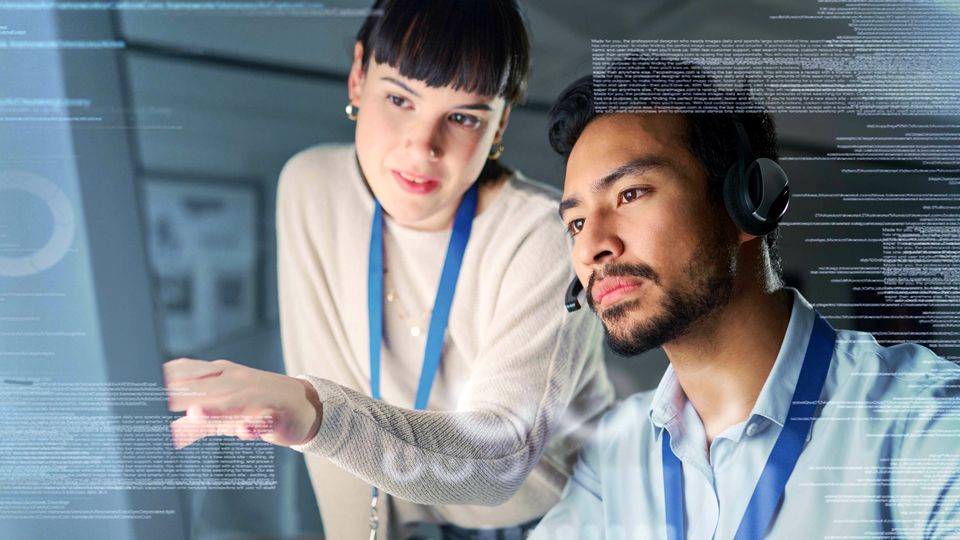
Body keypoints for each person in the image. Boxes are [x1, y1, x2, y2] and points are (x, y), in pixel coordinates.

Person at [162, 1, 615, 539]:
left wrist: (316, 412)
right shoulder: (312, 189)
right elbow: (330, 397)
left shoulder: (545, 235)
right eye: (400, 98)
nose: (423, 146)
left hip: (556, 520)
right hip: (399, 509)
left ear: (500, 124)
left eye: (464, 116)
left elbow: (499, 458)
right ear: (358, 78)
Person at [531, 59, 960, 539]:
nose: (592, 248)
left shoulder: (923, 423)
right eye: (576, 223)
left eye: (630, 194)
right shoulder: (614, 453)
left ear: (749, 201)